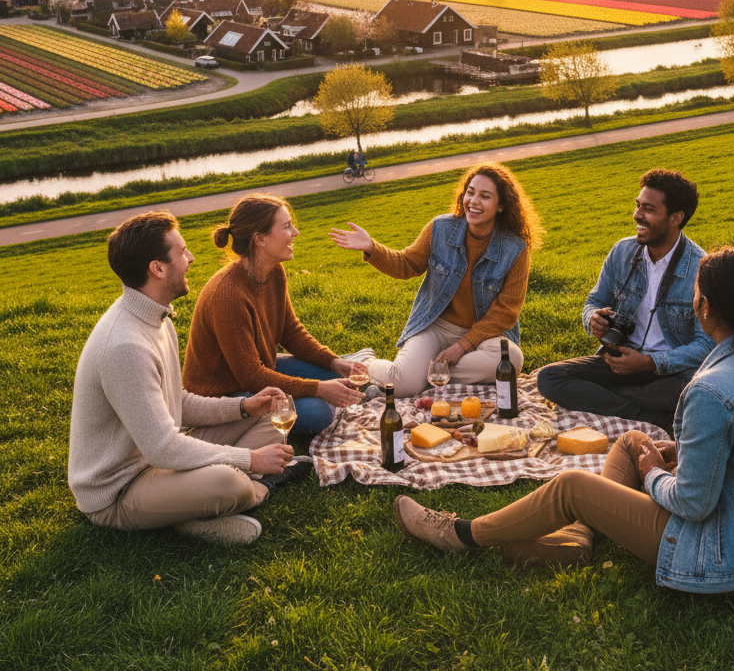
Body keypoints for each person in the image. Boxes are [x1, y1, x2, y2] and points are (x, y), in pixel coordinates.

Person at [393, 247, 734, 595]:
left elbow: (692, 503)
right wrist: (676, 452)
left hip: (725, 558)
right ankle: (577, 538)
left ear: (704, 308)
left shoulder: (711, 392)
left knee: (574, 485)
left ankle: (460, 534)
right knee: (633, 440)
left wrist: (652, 475)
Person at [69, 211, 310, 546]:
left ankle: (195, 509)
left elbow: (176, 402)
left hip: (159, 465)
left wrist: (244, 406)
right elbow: (163, 448)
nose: (191, 258)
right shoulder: (125, 346)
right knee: (230, 484)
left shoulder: (158, 318)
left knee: (275, 409)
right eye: (182, 252)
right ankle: (257, 488)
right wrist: (250, 459)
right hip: (121, 491)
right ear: (157, 268)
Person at [329, 163, 543, 397]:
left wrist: (462, 347)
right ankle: (366, 362)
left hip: (484, 334)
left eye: (485, 196)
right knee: (403, 385)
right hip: (436, 326)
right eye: (470, 192)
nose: (473, 201)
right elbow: (406, 264)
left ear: (501, 205)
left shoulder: (516, 250)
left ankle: (426, 376)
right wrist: (372, 247)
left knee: (511, 361)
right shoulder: (441, 228)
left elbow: (505, 312)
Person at [536, 169, 712, 431]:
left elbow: (706, 345)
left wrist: (650, 363)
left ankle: (617, 404)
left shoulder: (702, 268)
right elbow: (594, 301)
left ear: (676, 218)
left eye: (648, 209)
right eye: (638, 205)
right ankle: (651, 418)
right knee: (549, 378)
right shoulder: (622, 251)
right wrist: (593, 319)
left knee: (687, 393)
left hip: (671, 372)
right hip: (619, 361)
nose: (637, 215)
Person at [183, 194, 370, 435]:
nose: (296, 232)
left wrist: (334, 361)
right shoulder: (228, 295)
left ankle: (339, 370)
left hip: (260, 367)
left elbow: (291, 332)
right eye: (286, 226)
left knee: (341, 376)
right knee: (317, 412)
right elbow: (251, 376)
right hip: (225, 393)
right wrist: (318, 389)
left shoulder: (274, 272)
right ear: (259, 239)